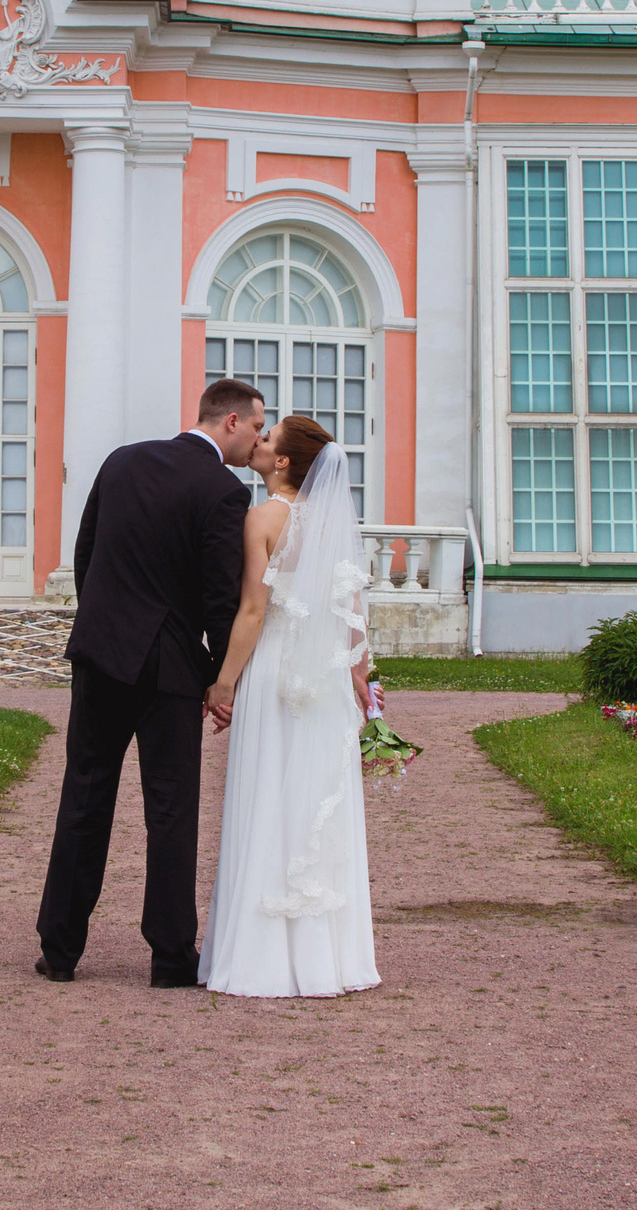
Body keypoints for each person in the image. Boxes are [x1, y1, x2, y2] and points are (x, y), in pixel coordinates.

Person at [35, 377, 266, 986]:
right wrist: (222, 681)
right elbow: (221, 600)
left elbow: (86, 555)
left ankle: (59, 949)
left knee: (84, 797)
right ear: (231, 423)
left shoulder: (121, 461)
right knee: (170, 810)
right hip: (168, 669)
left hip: (100, 655)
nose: (259, 441)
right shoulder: (222, 491)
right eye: (258, 427)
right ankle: (169, 957)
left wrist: (105, 625)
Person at [198, 414, 380, 999]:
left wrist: (223, 682)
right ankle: (330, 957)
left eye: (268, 438)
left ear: (282, 463)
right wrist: (361, 677)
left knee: (268, 794)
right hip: (325, 676)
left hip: (276, 667)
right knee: (315, 804)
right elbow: (353, 611)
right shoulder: (329, 523)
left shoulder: (263, 518)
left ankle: (260, 956)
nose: (258, 441)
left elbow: (252, 612)